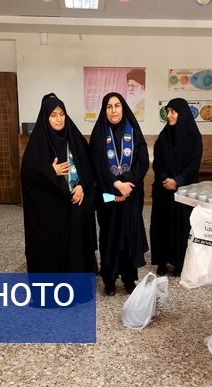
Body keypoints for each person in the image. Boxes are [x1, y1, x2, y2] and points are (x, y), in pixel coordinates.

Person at [20, 94, 97, 274]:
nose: (59, 119)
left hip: (75, 203)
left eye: (62, 114)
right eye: (53, 115)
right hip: (51, 211)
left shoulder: (75, 138)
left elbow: (88, 168)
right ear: (46, 118)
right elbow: (28, 175)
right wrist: (50, 172)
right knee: (54, 250)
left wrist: (81, 186)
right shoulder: (37, 144)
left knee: (76, 247)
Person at [89, 92, 149, 296]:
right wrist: (115, 185)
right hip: (106, 196)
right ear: (104, 110)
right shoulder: (98, 134)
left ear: (123, 108)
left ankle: (129, 277)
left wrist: (127, 183)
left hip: (130, 194)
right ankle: (109, 278)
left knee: (128, 235)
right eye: (109, 106)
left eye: (117, 106)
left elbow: (142, 161)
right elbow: (96, 166)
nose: (113, 110)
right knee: (109, 235)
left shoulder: (133, 131)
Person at [150, 98, 203, 277]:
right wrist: (165, 178)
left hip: (184, 192)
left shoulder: (194, 137)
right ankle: (162, 261)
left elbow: (194, 164)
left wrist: (178, 180)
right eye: (168, 112)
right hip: (163, 191)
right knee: (162, 226)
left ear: (182, 113)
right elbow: (157, 161)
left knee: (182, 227)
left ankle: (180, 262)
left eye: (173, 112)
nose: (169, 115)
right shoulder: (163, 136)